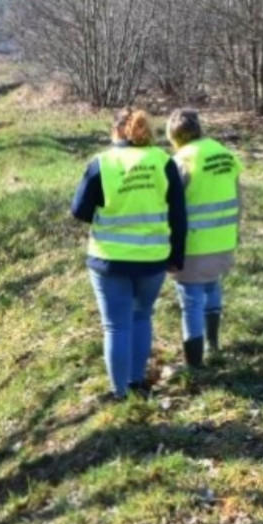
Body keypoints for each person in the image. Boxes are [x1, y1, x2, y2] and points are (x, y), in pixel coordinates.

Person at [72, 108, 187, 400]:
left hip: (109, 260)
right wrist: (177, 257)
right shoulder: (163, 162)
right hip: (152, 260)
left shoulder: (102, 163)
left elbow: (80, 211)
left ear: (115, 132)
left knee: (115, 326)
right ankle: (137, 384)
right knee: (141, 317)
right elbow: (178, 215)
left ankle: (119, 393)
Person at [165, 108, 243, 367]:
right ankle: (213, 344)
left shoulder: (181, 161)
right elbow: (237, 196)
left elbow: (170, 205)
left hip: (193, 244)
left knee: (191, 300)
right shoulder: (225, 155)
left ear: (174, 137)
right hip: (223, 239)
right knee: (212, 288)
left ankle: (194, 365)